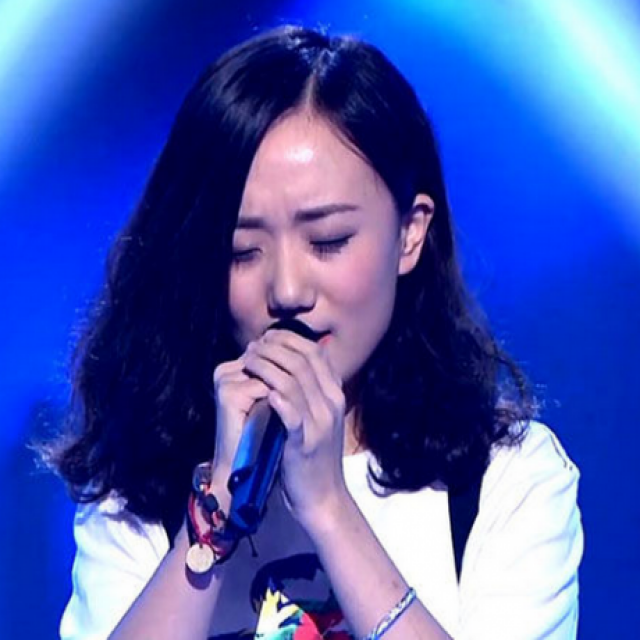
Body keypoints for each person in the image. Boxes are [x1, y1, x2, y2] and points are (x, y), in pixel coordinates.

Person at [44, 25, 583, 640]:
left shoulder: (505, 481)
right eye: (242, 251)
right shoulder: (143, 490)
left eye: (327, 241)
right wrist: (217, 510)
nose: (288, 291)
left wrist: (329, 507)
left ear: (410, 233)